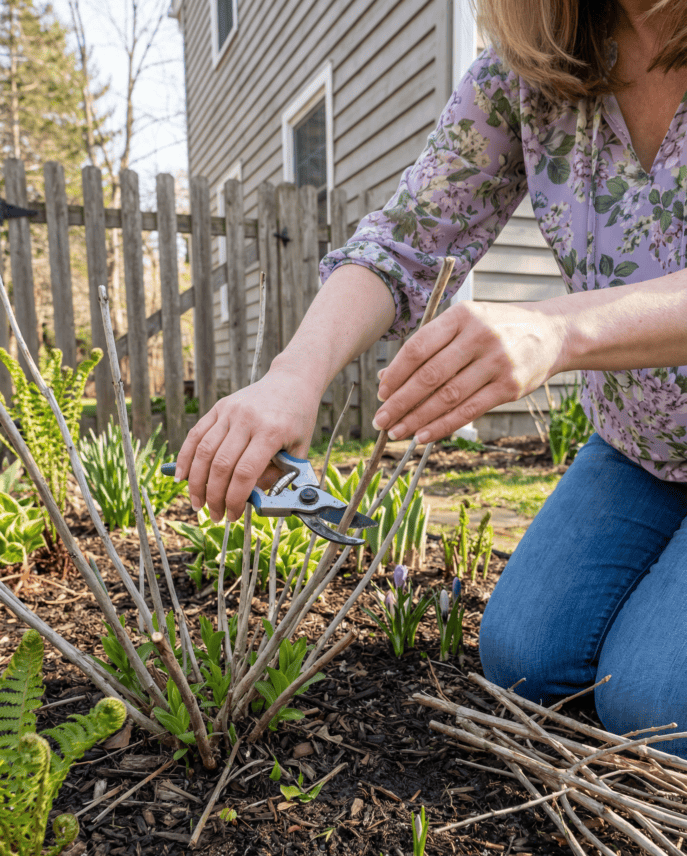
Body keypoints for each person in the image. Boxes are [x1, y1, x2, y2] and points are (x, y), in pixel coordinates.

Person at [177, 0, 687, 755]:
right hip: (639, 445)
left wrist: (562, 327)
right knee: (524, 659)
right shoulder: (534, 68)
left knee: (651, 704)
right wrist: (293, 375)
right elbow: (406, 240)